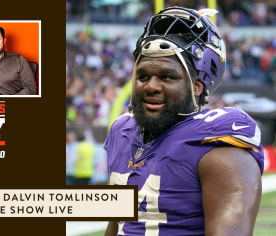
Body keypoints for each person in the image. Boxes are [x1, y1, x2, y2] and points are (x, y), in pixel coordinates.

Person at [104, 7, 264, 235]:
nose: (150, 86)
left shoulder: (217, 146)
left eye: (167, 77)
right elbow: (118, 225)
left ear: (196, 86)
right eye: (143, 76)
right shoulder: (122, 132)